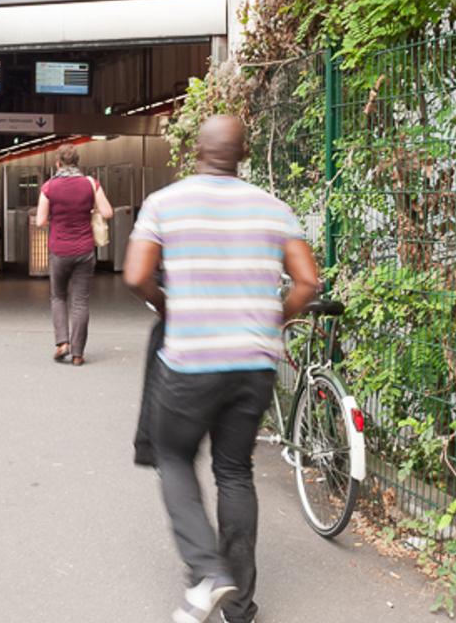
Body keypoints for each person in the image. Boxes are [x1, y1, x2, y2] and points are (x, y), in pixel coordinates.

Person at [124, 115, 319, 623]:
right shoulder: (274, 209)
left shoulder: (166, 203)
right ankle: (240, 608)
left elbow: (136, 274)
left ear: (196, 152)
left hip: (191, 360)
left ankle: (208, 572)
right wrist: (274, 320)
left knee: (172, 456)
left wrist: (165, 304)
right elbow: (307, 282)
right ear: (243, 154)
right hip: (253, 362)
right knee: (235, 471)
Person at [35, 145, 114, 366]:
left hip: (59, 250)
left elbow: (40, 221)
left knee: (58, 296)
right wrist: (89, 210)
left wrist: (58, 215)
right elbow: (107, 212)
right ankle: (78, 354)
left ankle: (62, 343)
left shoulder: (49, 187)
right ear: (77, 162)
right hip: (85, 250)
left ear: (58, 163)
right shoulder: (91, 183)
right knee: (80, 301)